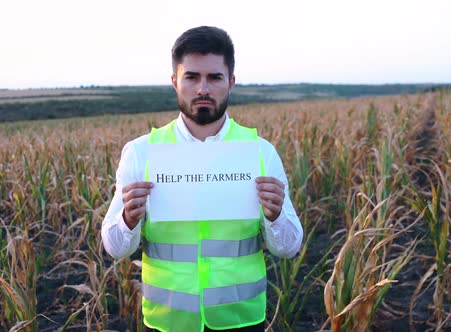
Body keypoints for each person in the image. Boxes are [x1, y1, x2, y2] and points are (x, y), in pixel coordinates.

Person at [102, 26, 303, 332]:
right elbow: (115, 248)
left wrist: (275, 216)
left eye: (214, 77)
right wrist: (128, 219)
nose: (203, 89)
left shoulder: (259, 153)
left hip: (240, 318)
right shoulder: (142, 153)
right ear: (174, 82)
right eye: (192, 77)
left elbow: (288, 248)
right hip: (169, 321)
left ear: (231, 82)